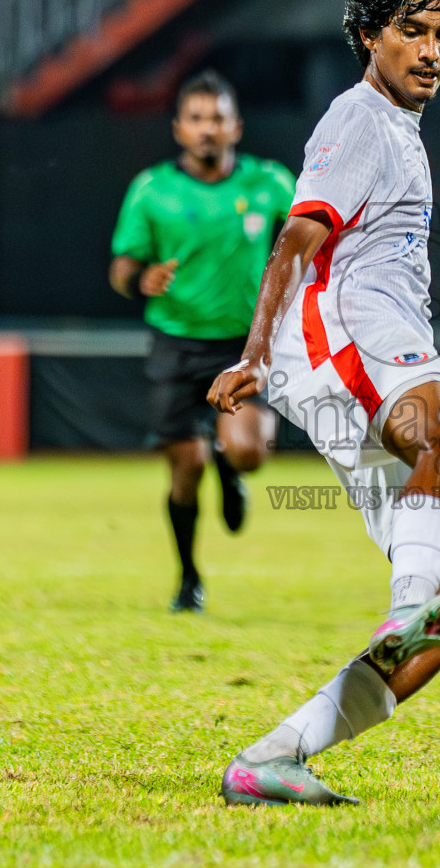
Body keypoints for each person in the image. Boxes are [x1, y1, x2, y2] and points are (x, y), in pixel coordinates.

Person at [206, 0, 440, 806]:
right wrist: (256, 352)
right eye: (412, 31)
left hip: (372, 341)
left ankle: (273, 759)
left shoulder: (399, 129)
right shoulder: (359, 119)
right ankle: (405, 607)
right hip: (342, 335)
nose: (432, 51)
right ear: (370, 34)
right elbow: (300, 235)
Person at [108, 70, 293, 612]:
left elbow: (311, 245)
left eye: (217, 118)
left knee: (248, 452)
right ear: (178, 129)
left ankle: (232, 469)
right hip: (175, 343)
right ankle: (189, 578)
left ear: (235, 126)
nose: (207, 128)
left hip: (243, 346)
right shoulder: (152, 190)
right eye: (196, 119)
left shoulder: (271, 184)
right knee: (184, 467)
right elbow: (121, 266)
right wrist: (139, 280)